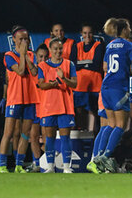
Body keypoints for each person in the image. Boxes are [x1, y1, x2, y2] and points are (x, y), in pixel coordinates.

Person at [93, 18, 132, 173]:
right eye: (128, 27)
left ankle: (97, 156)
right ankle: (105, 157)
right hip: (119, 87)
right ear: (124, 29)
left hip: (106, 86)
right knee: (121, 125)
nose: (130, 29)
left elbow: (105, 66)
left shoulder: (110, 45)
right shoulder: (129, 45)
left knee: (110, 124)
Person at [0, 25, 39, 173]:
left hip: (30, 98)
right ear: (14, 39)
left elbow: (34, 72)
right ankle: (2, 166)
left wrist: (27, 56)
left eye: (26, 39)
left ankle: (18, 166)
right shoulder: (8, 55)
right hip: (15, 98)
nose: (24, 41)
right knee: (8, 133)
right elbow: (21, 72)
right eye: (21, 39)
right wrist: (22, 55)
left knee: (25, 133)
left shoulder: (32, 55)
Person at [38, 37, 77, 173]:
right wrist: (52, 84)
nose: (58, 51)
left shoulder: (69, 64)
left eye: (60, 48)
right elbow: (41, 84)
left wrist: (63, 78)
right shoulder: (43, 66)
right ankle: (50, 167)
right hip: (48, 107)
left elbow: (75, 84)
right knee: (50, 138)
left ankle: (66, 167)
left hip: (65, 106)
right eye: (55, 48)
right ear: (50, 49)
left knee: (65, 137)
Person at [70, 24, 104, 130]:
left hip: (95, 86)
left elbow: (97, 64)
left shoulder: (98, 45)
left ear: (93, 34)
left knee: (93, 111)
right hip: (80, 86)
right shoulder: (77, 46)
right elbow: (72, 64)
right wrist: (88, 63)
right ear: (81, 34)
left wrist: (81, 64)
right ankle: (81, 131)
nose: (87, 35)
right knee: (78, 110)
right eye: (85, 33)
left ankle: (92, 134)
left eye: (90, 33)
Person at [26, 43, 49, 172]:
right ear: (36, 56)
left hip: (46, 107)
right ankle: (37, 164)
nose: (43, 60)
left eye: (46, 57)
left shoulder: (50, 70)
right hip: (34, 107)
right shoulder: (32, 70)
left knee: (46, 138)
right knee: (33, 136)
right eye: (40, 57)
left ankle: (46, 163)